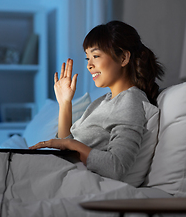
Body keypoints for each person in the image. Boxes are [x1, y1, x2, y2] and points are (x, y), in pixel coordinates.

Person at [29, 20, 164, 183]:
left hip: (72, 180)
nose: (89, 65)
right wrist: (65, 103)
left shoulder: (130, 101)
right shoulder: (102, 101)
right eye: (88, 58)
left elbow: (117, 167)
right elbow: (68, 146)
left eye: (96, 56)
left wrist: (72, 145)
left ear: (123, 57)